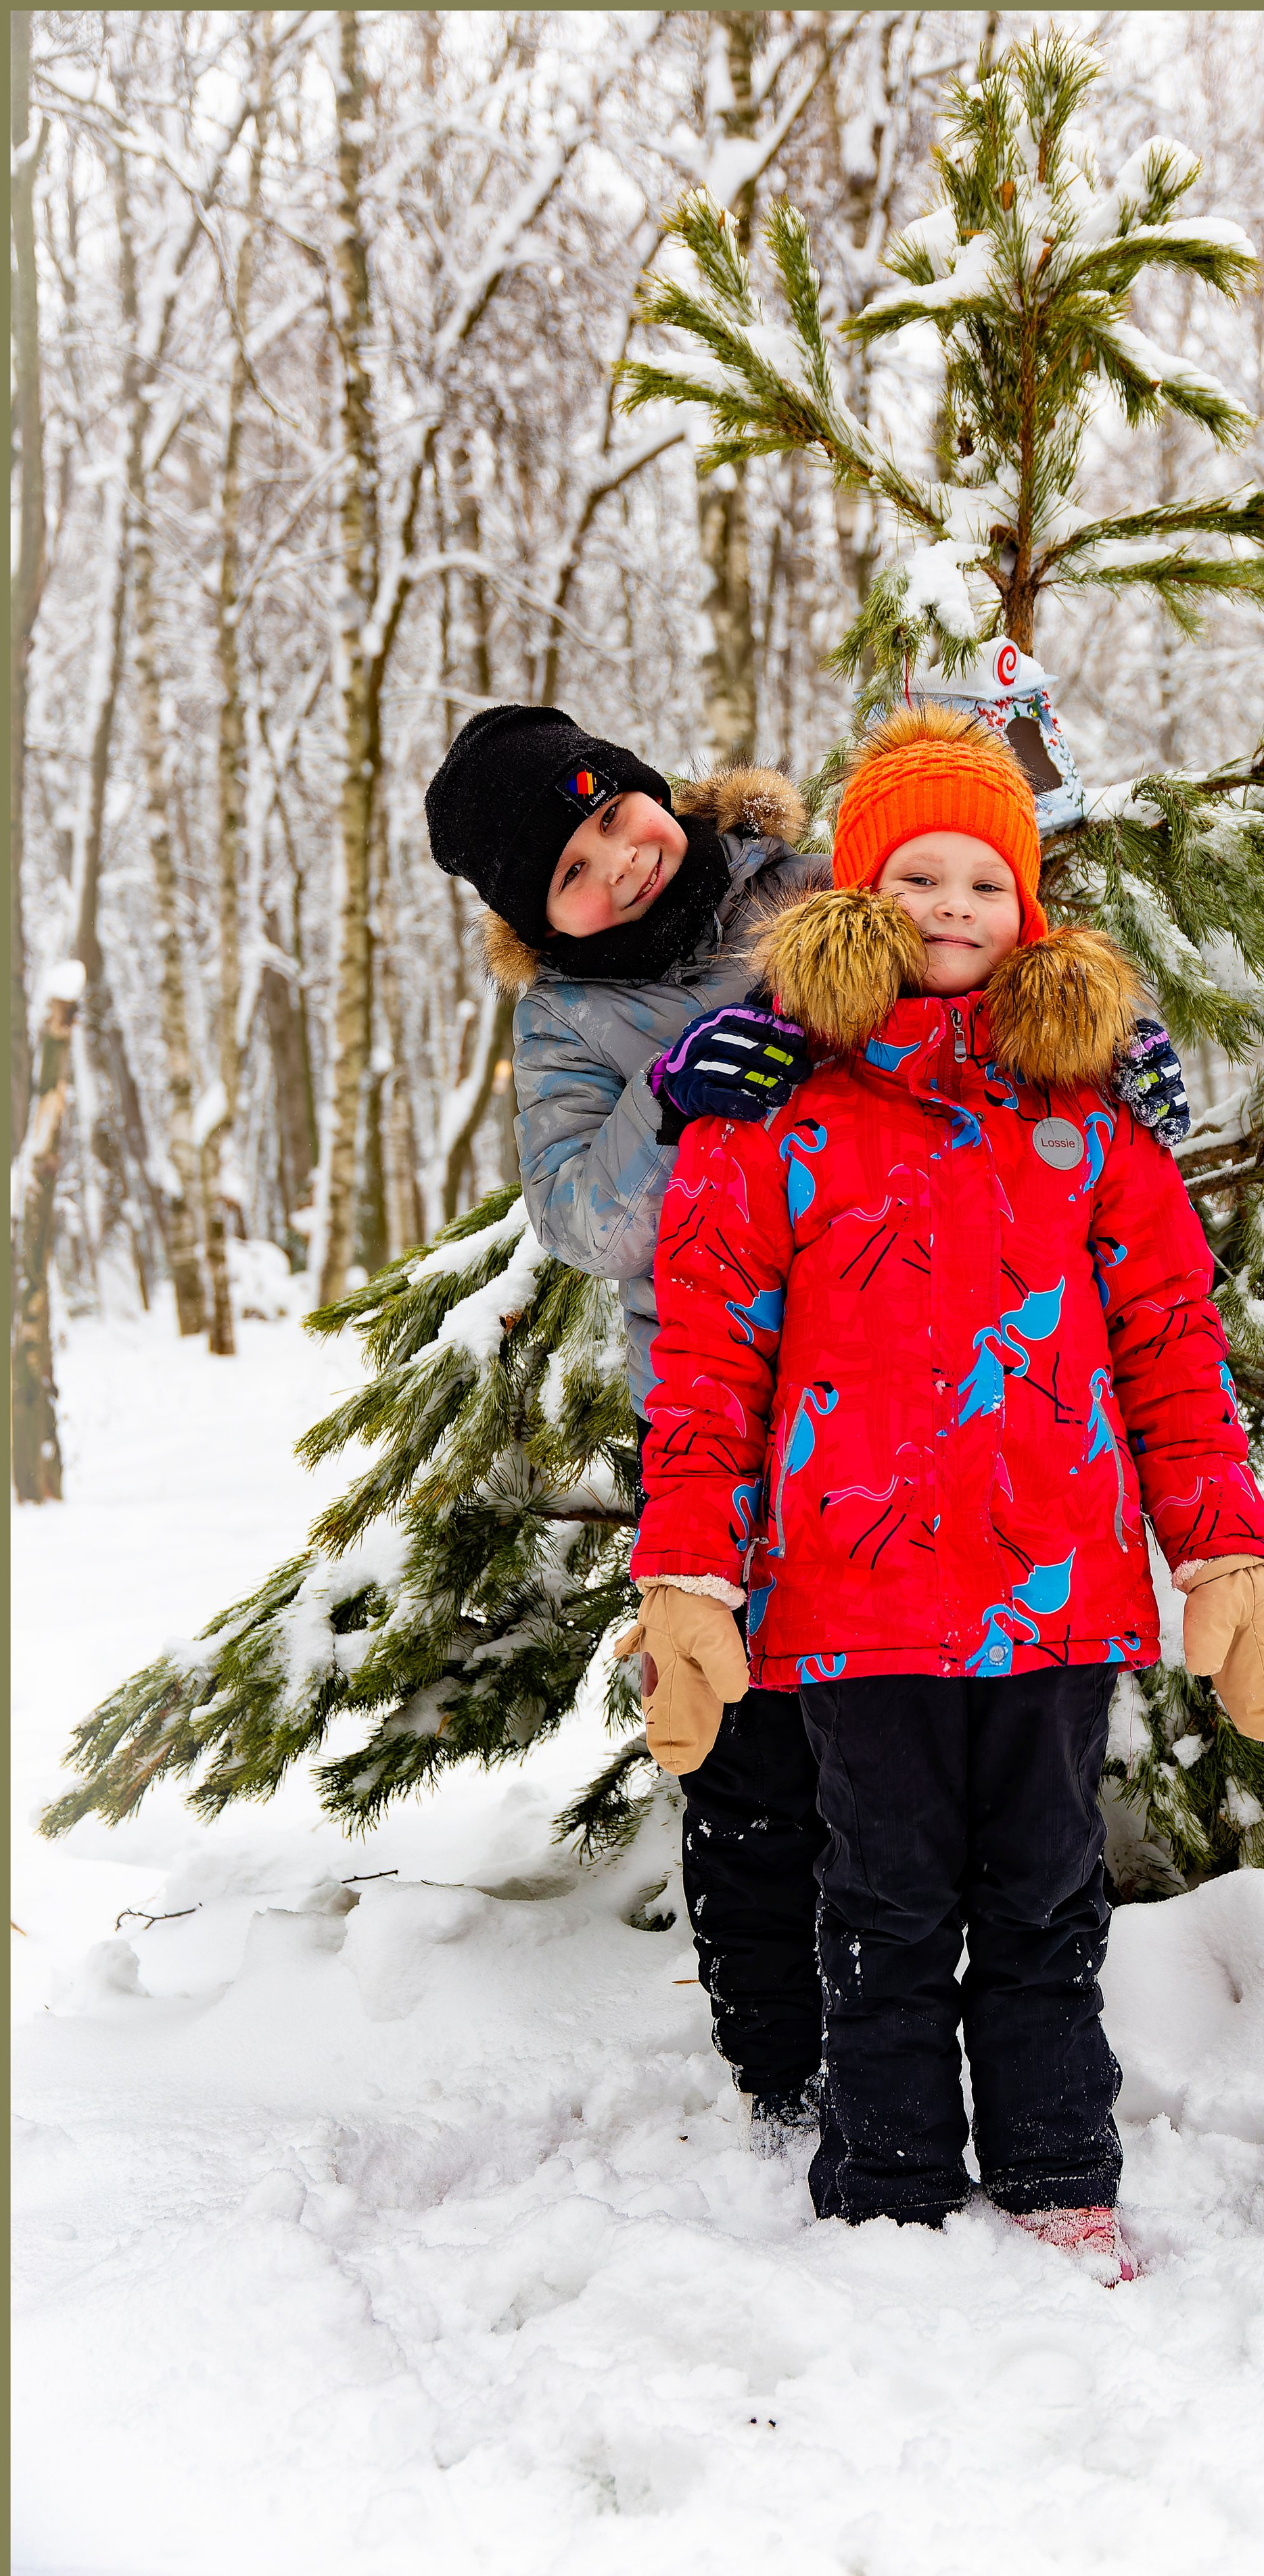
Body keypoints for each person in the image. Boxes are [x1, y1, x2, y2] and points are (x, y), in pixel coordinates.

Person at [625, 703, 1264, 2282]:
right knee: (876, 1902)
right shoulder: (766, 1119)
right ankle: (886, 2189)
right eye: (917, 874)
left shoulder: (1089, 1120)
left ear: (1030, 907)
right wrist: (684, 1579)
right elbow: (706, 1367)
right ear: (857, 896)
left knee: (1045, 1906)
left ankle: (1063, 2170)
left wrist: (1219, 1555)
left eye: (983, 881)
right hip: (848, 1606)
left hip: (1055, 1599)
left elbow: (1169, 1348)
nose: (951, 907)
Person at [423, 705, 835, 2152]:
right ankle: (778, 2069)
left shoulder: (811, 885)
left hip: (892, 1378)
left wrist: (1110, 1050)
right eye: (574, 871)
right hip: (714, 1420)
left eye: (619, 820)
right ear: (535, 917)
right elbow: (583, 1222)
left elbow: (968, 1001)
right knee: (738, 1733)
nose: (621, 864)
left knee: (887, 1726)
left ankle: (906, 2019)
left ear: (657, 789)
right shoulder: (566, 1023)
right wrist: (671, 1097)